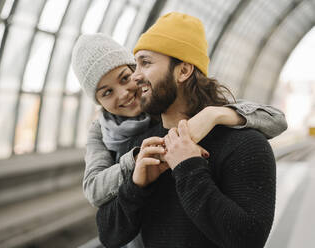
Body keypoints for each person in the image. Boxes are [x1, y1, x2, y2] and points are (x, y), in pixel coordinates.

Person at [93, 12, 278, 248]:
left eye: (146, 63)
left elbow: (249, 240)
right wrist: (136, 187)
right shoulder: (142, 145)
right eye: (135, 64)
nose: (135, 76)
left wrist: (188, 168)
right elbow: (109, 235)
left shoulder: (244, 144)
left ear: (183, 71)